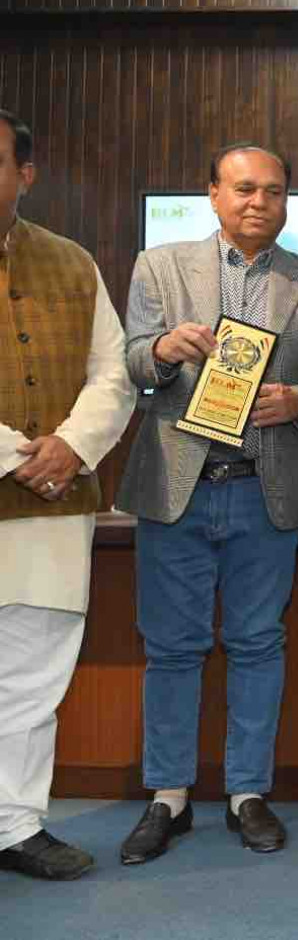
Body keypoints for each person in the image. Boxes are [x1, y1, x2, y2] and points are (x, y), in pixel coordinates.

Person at [116, 143, 298, 865]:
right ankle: (168, 796)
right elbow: (130, 364)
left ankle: (247, 793)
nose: (258, 201)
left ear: (286, 199)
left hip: (264, 489)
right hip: (176, 487)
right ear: (212, 194)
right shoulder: (160, 265)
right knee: (171, 648)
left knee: (258, 643)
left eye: (273, 190)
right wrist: (162, 350)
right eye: (243, 188)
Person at [0, 109, 135, 881]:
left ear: (25, 173)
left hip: (50, 506)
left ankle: (15, 828)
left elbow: (112, 373)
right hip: (33, 476)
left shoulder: (72, 261)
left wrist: (72, 447)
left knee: (31, 679)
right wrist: (15, 454)